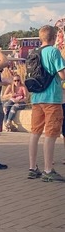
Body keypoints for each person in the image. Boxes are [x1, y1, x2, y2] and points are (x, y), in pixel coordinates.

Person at [27, 25, 65, 182]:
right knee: (50, 134)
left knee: (35, 133)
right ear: (54, 37)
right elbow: (62, 74)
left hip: (37, 98)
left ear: (40, 37)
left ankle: (32, 168)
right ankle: (48, 170)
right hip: (52, 98)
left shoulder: (33, 53)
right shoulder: (54, 52)